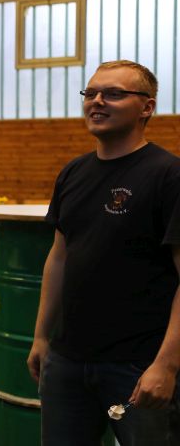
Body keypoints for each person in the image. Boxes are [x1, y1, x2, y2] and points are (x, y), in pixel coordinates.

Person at [27, 60, 180, 445]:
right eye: (91, 93)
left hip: (138, 365)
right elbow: (59, 258)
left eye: (113, 94)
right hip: (67, 362)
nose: (97, 101)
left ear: (147, 107)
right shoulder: (73, 173)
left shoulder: (169, 176)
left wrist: (166, 365)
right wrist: (42, 337)